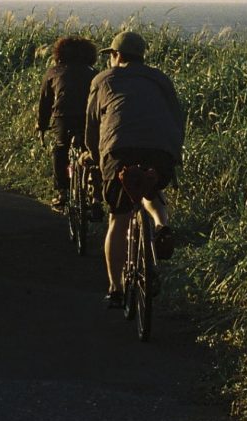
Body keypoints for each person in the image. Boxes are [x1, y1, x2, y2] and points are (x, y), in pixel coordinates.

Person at [84, 30, 185, 308]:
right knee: (151, 191)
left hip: (120, 151)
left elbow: (92, 126)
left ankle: (115, 289)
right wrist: (173, 155)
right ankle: (162, 225)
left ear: (116, 56)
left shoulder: (103, 79)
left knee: (119, 218)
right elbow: (177, 119)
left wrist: (95, 157)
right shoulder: (160, 79)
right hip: (161, 150)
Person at [36, 35, 99, 212]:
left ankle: (62, 192)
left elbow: (45, 103)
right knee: (92, 152)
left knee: (60, 149)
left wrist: (41, 125)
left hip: (63, 116)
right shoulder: (94, 73)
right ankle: (96, 198)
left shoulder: (53, 72)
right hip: (89, 117)